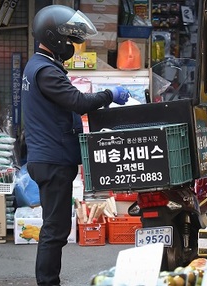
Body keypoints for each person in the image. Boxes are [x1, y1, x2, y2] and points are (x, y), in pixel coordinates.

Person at [21, 5, 130, 286]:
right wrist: (109, 94)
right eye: (68, 39)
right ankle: (48, 283)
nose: (71, 45)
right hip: (53, 160)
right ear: (53, 37)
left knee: (54, 228)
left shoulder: (39, 66)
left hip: (50, 157)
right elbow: (78, 102)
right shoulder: (45, 71)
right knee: (55, 231)